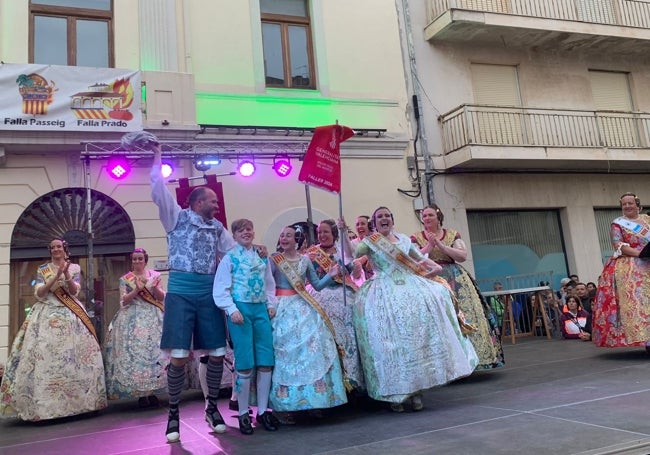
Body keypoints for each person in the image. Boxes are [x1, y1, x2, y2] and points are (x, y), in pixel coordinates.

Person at [149, 139, 236, 443]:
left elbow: (235, 254)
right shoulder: (176, 217)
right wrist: (158, 156)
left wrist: (257, 252)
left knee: (215, 353)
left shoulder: (218, 228)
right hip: (181, 292)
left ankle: (212, 408)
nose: (216, 204)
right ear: (198, 202)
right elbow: (159, 191)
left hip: (208, 294)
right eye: (212, 200)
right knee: (178, 356)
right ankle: (173, 413)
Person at [354, 207, 478, 412]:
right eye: (379, 217)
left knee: (415, 341)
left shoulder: (403, 240)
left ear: (392, 220)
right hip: (383, 294)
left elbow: (419, 259)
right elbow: (352, 256)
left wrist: (434, 268)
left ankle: (417, 390)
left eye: (387, 215)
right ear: (374, 223)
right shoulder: (369, 242)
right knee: (390, 344)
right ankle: (396, 394)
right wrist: (343, 235)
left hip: (411, 291)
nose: (384, 219)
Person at [0, 238, 107, 421]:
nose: (56, 249)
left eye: (59, 246)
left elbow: (74, 292)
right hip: (47, 314)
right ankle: (45, 407)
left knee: (77, 358)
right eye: (52, 247)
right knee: (46, 358)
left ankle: (83, 403)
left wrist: (65, 275)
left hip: (72, 314)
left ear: (65, 249)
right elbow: (40, 294)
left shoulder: (73, 268)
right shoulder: (43, 269)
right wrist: (55, 278)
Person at [411, 204, 503, 370]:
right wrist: (430, 245)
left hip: (455, 279)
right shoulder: (416, 237)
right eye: (424, 216)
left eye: (430, 215)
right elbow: (416, 259)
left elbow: (462, 255)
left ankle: (475, 359)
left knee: (465, 314)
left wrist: (441, 245)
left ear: (438, 217)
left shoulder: (453, 234)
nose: (426, 218)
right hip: (431, 278)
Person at [269, 225, 348, 414]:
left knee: (312, 350)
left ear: (297, 240)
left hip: (304, 307)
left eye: (288, 235)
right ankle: (284, 405)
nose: (284, 238)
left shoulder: (305, 260)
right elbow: (267, 285)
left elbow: (317, 286)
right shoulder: (274, 260)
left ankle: (314, 400)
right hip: (281, 308)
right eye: (282, 235)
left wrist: (331, 275)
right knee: (284, 353)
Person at [213, 218, 279, 435]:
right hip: (241, 310)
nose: (246, 233)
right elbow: (221, 288)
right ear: (234, 234)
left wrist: (271, 304)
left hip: (260, 309)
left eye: (249, 229)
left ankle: (262, 411)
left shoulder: (262, 256)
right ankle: (242, 412)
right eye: (241, 230)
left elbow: (269, 282)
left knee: (266, 361)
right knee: (244, 363)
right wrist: (232, 309)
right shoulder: (229, 258)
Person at [306, 219, 365, 393]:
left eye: (326, 232)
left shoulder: (342, 251)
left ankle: (353, 379)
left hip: (343, 291)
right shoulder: (311, 253)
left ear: (333, 234)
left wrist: (354, 267)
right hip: (319, 293)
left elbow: (354, 270)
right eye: (319, 233)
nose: (322, 235)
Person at [104, 248, 167, 407]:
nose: (137, 262)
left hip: (153, 318)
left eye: (140, 259)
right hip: (133, 320)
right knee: (137, 357)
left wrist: (156, 288)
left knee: (155, 354)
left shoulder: (155, 275)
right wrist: (137, 290)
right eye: (134, 259)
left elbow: (160, 298)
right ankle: (141, 395)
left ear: (145, 260)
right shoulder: (125, 279)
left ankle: (153, 392)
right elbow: (123, 301)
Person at [592, 192, 650, 352]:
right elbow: (618, 244)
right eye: (624, 204)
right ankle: (646, 339)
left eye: (630, 203)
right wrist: (640, 253)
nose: (627, 206)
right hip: (632, 264)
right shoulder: (618, 223)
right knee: (639, 302)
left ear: (637, 204)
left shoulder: (647, 220)